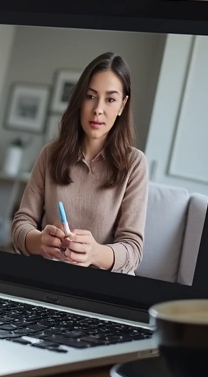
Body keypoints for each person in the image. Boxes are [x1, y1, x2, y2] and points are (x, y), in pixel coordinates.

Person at [10, 52, 147, 274]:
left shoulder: (135, 164)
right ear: (79, 99)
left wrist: (95, 253)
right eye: (90, 96)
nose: (98, 109)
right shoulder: (50, 154)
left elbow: (133, 250)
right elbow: (21, 224)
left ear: (123, 105)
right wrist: (39, 241)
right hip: (48, 278)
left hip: (102, 289)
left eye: (110, 99)